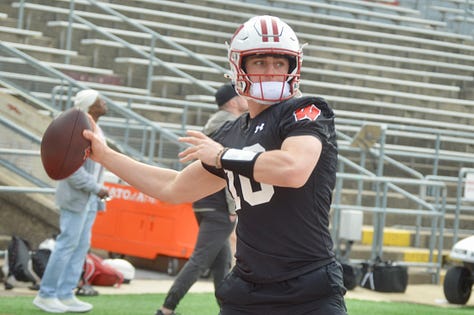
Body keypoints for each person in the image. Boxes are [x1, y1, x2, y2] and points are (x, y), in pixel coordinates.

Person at [84, 15, 347, 315]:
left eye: (279, 63)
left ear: (293, 67)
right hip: (249, 288)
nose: (271, 72)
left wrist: (221, 157)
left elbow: (292, 169)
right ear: (239, 67)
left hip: (308, 286)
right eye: (260, 63)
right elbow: (172, 188)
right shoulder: (231, 133)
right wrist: (105, 156)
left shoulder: (306, 110)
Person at [156, 83, 248, 315]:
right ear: (233, 102)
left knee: (222, 264)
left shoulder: (214, 123)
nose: (246, 97)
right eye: (241, 95)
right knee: (200, 261)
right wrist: (232, 206)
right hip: (218, 206)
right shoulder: (231, 125)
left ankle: (228, 310)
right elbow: (228, 169)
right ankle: (166, 309)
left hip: (203, 202)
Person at [34, 89, 109, 313]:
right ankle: (46, 294)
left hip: (88, 200)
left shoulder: (94, 126)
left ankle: (66, 293)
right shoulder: (76, 129)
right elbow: (72, 170)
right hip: (77, 198)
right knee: (67, 246)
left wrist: (97, 195)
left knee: (80, 247)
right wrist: (97, 188)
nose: (104, 103)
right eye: (99, 100)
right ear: (91, 106)